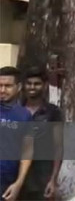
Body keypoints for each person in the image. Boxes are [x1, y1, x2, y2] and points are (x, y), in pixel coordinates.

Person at [20, 69, 63, 200]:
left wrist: (53, 180)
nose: (32, 87)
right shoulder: (16, 110)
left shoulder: (53, 112)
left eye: (36, 83)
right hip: (16, 177)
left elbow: (58, 147)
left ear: (44, 86)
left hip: (43, 178)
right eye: (29, 83)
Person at [0, 66, 34, 201]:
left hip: (6, 181)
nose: (2, 90)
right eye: (0, 85)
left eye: (7, 86)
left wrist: (18, 183)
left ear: (18, 87)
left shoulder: (24, 116)